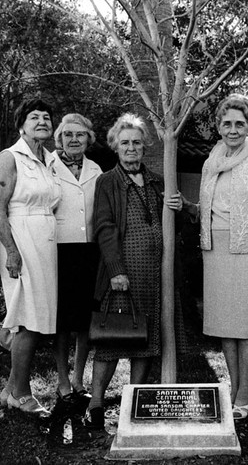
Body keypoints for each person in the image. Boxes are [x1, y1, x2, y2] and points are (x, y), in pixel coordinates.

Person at [84, 113, 187, 430]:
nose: (131, 148)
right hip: (124, 274)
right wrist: (116, 270)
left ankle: (135, 402)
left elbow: (171, 226)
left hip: (157, 277)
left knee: (147, 340)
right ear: (115, 146)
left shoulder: (158, 181)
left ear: (145, 146)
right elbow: (103, 227)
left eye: (137, 142)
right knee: (112, 339)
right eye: (125, 142)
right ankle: (96, 404)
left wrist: (179, 209)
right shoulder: (108, 182)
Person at [182, 93, 248, 419]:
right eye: (227, 123)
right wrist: (186, 207)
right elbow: (206, 210)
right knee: (225, 325)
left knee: (247, 325)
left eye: (239, 123)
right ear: (218, 127)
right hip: (216, 250)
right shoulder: (211, 160)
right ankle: (234, 385)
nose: (233, 129)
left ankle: (244, 392)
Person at [0, 98, 61, 416]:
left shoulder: (50, 160)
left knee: (35, 318)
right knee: (28, 321)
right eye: (34, 117)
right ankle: (22, 395)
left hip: (45, 246)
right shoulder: (9, 158)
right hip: (21, 243)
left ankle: (11, 389)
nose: (42, 121)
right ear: (21, 125)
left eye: (47, 117)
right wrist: (11, 251)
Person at [51, 114, 102, 413]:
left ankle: (79, 379)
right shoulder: (48, 166)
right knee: (62, 321)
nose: (74, 140)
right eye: (68, 134)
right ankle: (62, 381)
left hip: (89, 251)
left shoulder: (96, 169)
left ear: (88, 139)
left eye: (80, 135)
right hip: (58, 249)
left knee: (85, 320)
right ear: (59, 138)